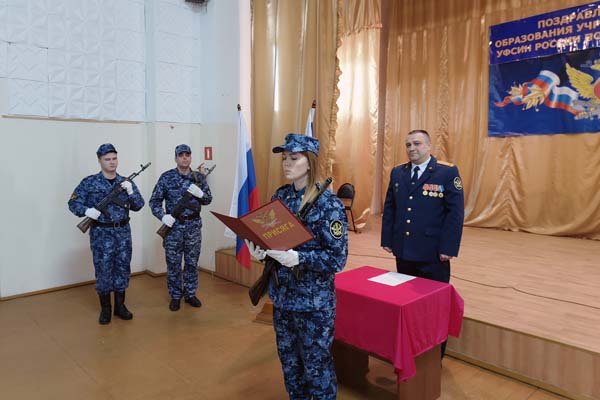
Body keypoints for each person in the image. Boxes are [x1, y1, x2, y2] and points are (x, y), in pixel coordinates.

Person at [246, 133, 348, 400]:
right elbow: (271, 237)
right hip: (283, 298)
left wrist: (300, 258)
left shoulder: (329, 204)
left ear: (310, 161)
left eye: (294, 158)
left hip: (314, 303)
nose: (286, 163)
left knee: (317, 368)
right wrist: (260, 250)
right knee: (290, 365)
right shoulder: (281, 197)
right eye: (284, 158)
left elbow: (337, 260)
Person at [381, 129, 464, 355]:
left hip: (433, 254)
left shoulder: (446, 172)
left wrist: (448, 248)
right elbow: (390, 207)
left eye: (417, 144)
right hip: (404, 251)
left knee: (435, 306)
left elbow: (455, 214)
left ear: (428, 146)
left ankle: (434, 354)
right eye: (408, 145)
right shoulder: (398, 173)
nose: (411, 149)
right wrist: (387, 239)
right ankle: (410, 347)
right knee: (407, 302)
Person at [68, 143, 145, 325]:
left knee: (122, 269)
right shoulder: (89, 182)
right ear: (100, 161)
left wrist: (131, 191)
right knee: (103, 270)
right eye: (107, 159)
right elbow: (72, 203)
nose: (111, 162)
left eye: (114, 158)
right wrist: (87, 211)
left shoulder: (126, 182)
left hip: (123, 232)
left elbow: (139, 205)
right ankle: (106, 309)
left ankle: (120, 307)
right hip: (101, 233)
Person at [149, 144, 213, 311]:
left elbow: (208, 199)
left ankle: (190, 294)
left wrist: (201, 194)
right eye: (181, 155)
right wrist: (163, 216)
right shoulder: (166, 177)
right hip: (173, 227)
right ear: (176, 158)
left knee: (192, 263)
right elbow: (154, 202)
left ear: (190, 157)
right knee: (173, 264)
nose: (184, 157)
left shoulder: (199, 178)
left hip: (193, 227)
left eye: (187, 154)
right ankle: (175, 296)